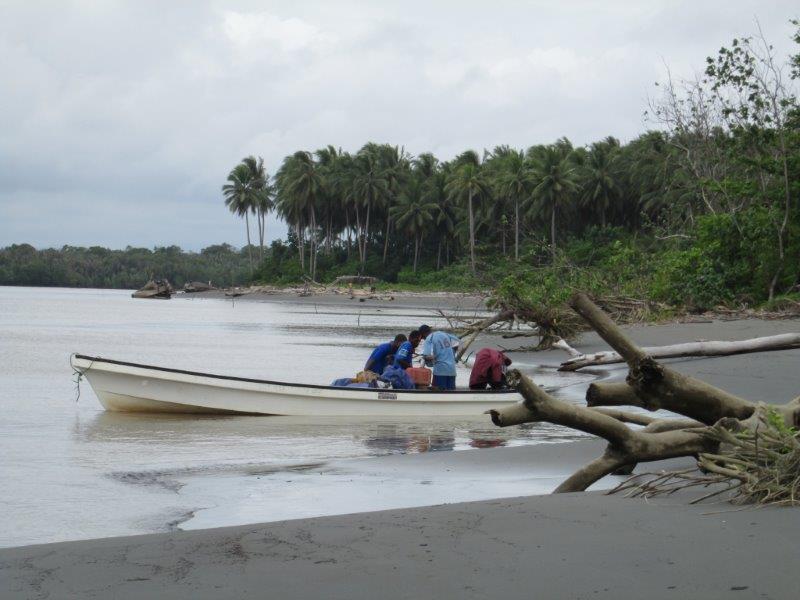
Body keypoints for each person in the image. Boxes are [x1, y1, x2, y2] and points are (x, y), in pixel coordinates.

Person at [419, 324, 461, 390]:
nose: (423, 339)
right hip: (452, 370)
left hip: (440, 371)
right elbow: (457, 341)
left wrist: (425, 360)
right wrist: (452, 353)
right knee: (451, 396)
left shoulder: (429, 338)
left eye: (422, 337)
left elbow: (427, 355)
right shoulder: (443, 334)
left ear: (423, 334)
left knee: (438, 396)